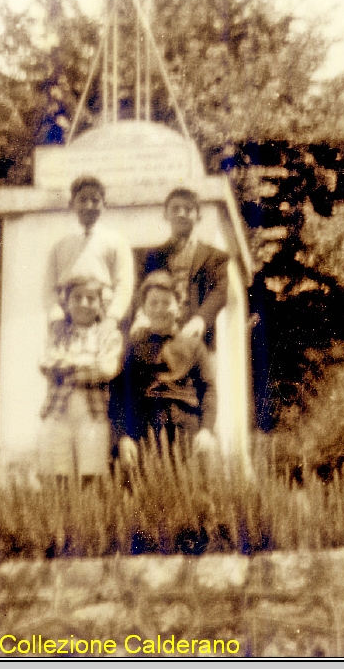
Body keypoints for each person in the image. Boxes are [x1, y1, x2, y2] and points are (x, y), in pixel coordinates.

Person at [112, 270, 217, 463]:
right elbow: (119, 395)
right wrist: (124, 436)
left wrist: (206, 430)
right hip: (146, 430)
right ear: (144, 308)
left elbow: (208, 389)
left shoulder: (194, 345)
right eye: (153, 303)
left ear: (178, 308)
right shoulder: (133, 347)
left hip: (186, 428)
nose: (160, 309)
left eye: (166, 303)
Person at [39, 274, 124, 478]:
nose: (84, 304)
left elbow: (107, 369)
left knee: (91, 477)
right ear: (66, 303)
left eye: (91, 298)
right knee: (59, 477)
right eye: (77, 297)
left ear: (100, 303)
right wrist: (88, 362)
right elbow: (47, 364)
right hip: (58, 413)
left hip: (93, 415)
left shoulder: (109, 335)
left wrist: (68, 363)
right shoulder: (58, 334)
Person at [139, 188, 229, 347]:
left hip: (197, 335)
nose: (181, 213)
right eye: (175, 209)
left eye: (188, 209)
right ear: (166, 215)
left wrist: (200, 320)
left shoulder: (216, 257)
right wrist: (142, 316)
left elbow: (221, 291)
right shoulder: (152, 256)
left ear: (198, 216)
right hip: (158, 335)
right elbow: (140, 290)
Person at [44, 176, 135, 329]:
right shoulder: (59, 244)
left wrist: (113, 317)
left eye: (95, 200)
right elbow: (48, 287)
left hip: (104, 313)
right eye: (82, 200)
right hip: (67, 314)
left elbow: (124, 284)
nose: (89, 205)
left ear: (104, 205)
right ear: (72, 204)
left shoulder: (117, 241)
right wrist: (56, 316)